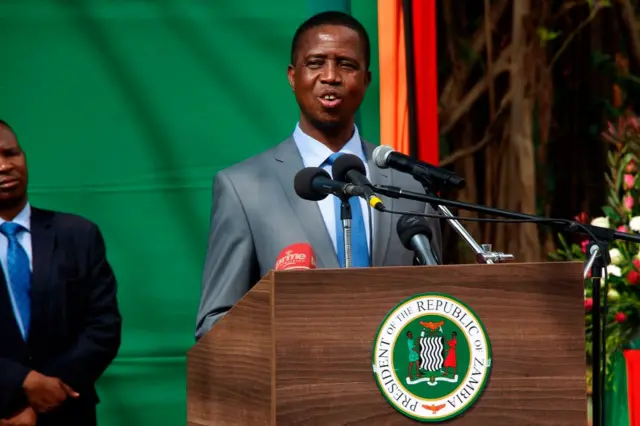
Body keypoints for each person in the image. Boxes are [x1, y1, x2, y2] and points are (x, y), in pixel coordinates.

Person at [195, 11, 442, 340]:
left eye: (346, 65)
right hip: (296, 382)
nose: (331, 76)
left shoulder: (410, 183)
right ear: (293, 76)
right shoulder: (243, 188)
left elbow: (440, 302)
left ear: (366, 80)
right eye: (315, 63)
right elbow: (216, 322)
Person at [0, 120, 121, 425]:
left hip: (68, 410)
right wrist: (19, 386)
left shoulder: (77, 235)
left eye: (10, 153)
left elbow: (103, 327)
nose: (4, 166)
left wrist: (47, 392)